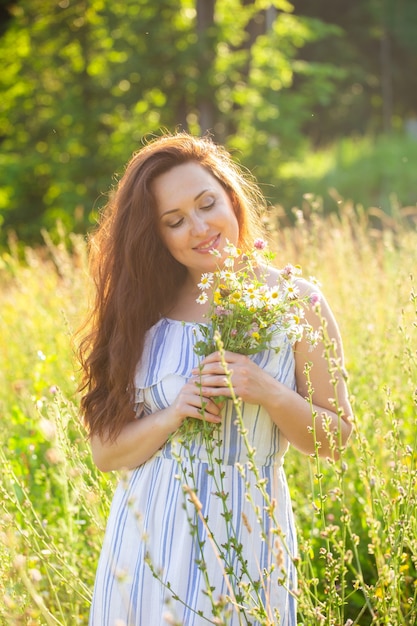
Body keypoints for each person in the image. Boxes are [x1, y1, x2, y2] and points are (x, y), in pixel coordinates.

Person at [78, 132, 353, 626]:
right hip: (148, 541)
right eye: (175, 221)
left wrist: (265, 389)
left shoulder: (298, 300)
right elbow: (105, 452)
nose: (200, 227)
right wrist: (174, 411)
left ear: (231, 196)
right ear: (156, 235)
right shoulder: (141, 312)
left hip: (248, 533)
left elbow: (334, 438)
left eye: (207, 204)